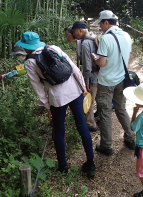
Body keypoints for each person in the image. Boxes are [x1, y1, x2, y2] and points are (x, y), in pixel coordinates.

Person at [13, 31, 96, 178]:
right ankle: (90, 164)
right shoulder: (54, 48)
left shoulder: (29, 63)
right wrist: (83, 87)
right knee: (82, 126)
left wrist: (48, 107)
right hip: (74, 90)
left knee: (59, 131)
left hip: (57, 98)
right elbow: (73, 68)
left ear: (25, 47)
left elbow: (38, 88)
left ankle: (63, 166)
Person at [91, 10, 136, 154]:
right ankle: (130, 138)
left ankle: (106, 145)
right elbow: (127, 57)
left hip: (106, 81)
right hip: (121, 78)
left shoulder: (105, 38)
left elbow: (102, 63)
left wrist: (94, 58)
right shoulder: (127, 36)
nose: (100, 27)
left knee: (104, 112)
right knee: (121, 108)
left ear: (106, 22)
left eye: (100, 24)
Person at [71, 20, 100, 131]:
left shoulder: (85, 43)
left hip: (92, 76)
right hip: (100, 74)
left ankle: (90, 124)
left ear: (80, 30)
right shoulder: (95, 36)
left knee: (89, 100)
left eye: (75, 32)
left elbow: (87, 65)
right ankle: (100, 118)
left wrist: (86, 82)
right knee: (99, 98)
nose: (74, 35)